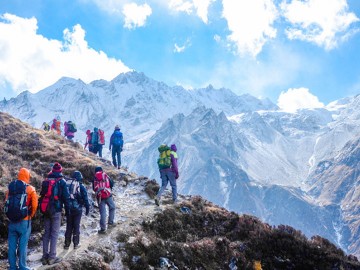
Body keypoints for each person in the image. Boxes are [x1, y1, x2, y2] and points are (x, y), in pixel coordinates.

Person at [5, 168, 38, 270]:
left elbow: (6, 202)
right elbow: (34, 204)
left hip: (12, 221)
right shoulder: (30, 189)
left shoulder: (11, 188)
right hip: (24, 221)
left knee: (12, 246)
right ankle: (23, 266)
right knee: (23, 245)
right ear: (27, 176)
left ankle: (12, 267)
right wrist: (31, 215)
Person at [39, 162, 70, 265]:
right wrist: (68, 210)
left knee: (46, 233)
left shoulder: (46, 181)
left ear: (52, 170)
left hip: (46, 210)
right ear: (60, 171)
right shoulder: (62, 182)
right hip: (56, 210)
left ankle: (44, 256)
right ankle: (52, 257)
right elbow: (66, 198)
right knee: (54, 234)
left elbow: (42, 195)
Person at [64, 171, 90, 250]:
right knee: (76, 226)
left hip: (68, 209)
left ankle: (66, 245)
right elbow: (85, 198)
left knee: (69, 226)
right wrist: (87, 208)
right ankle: (76, 244)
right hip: (77, 209)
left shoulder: (67, 185)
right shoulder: (80, 186)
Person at [93, 166, 116, 234]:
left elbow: (94, 189)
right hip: (108, 195)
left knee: (103, 213)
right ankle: (111, 222)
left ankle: (103, 229)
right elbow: (112, 184)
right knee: (112, 207)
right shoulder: (106, 176)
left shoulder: (95, 178)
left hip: (100, 198)